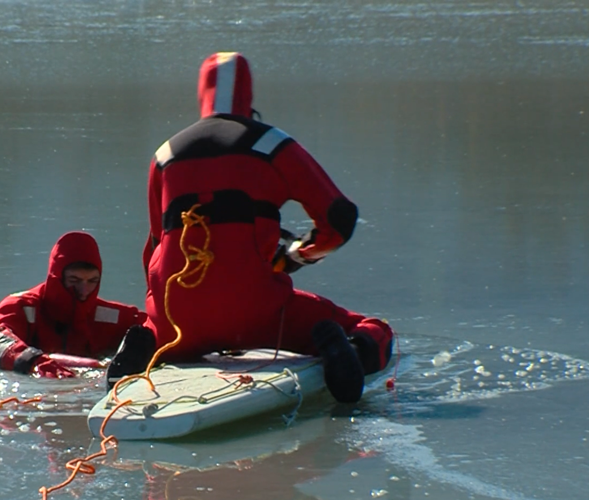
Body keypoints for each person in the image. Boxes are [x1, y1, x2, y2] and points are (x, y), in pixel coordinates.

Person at [108, 52, 394, 403]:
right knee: (374, 328)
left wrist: (161, 315)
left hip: (179, 316)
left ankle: (150, 343)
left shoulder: (164, 156)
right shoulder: (272, 145)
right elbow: (339, 220)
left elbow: (155, 251)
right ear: (249, 95)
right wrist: (298, 255)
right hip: (257, 311)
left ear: (201, 93)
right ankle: (352, 350)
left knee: (162, 327)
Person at [0, 231, 148, 378]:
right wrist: (32, 360)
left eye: (93, 281)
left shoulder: (112, 316)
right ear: (56, 278)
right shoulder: (21, 306)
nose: (84, 290)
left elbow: (160, 328)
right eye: (75, 280)